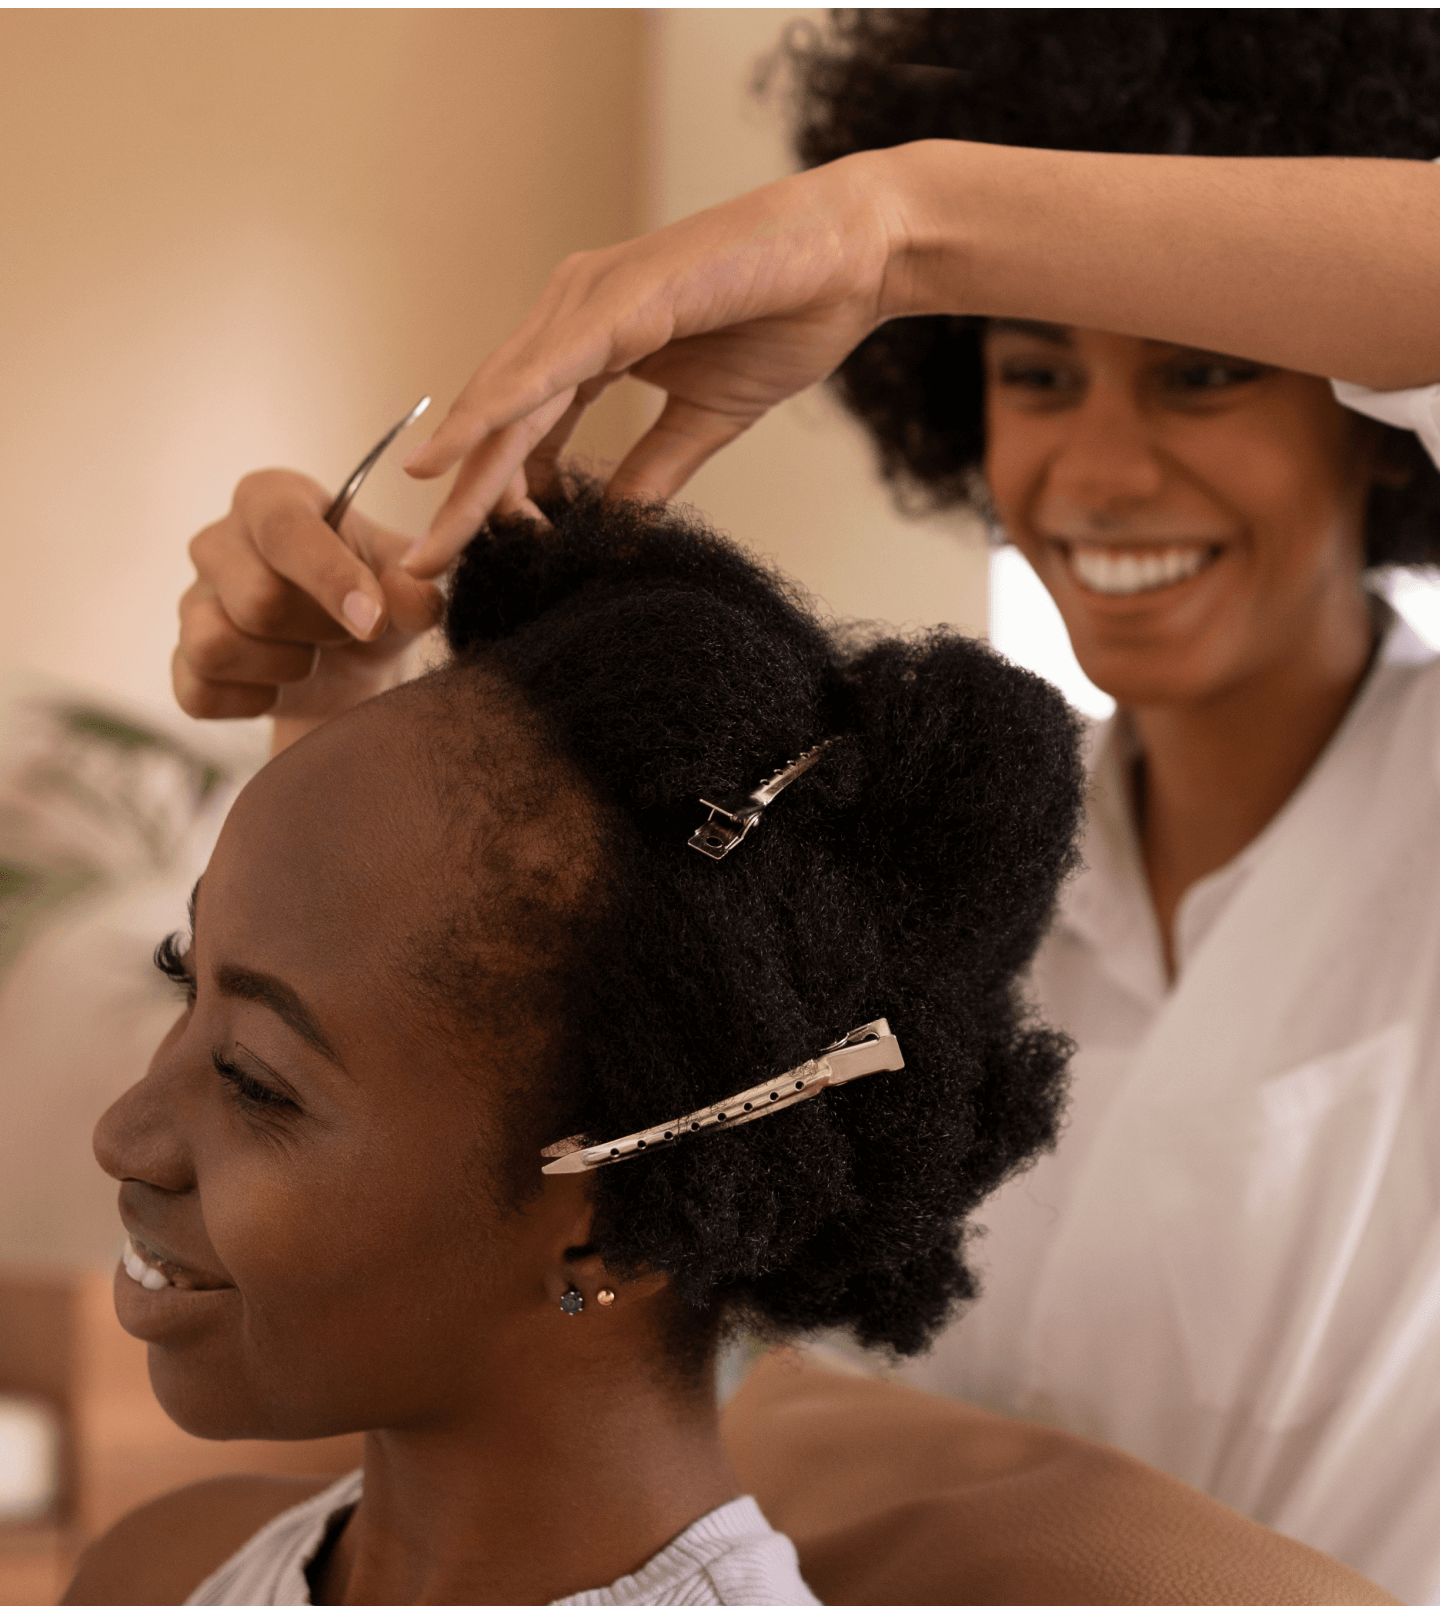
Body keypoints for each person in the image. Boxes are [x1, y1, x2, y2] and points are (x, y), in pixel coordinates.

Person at [164, 10, 1440, 1597]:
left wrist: (898, 225)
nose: (1100, 468)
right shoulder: (889, 878)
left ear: (1373, 422)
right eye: (1035, 372)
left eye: (1204, 375)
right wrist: (343, 735)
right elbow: (573, 1293)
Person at [67, 486, 1090, 1605]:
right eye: (184, 973)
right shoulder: (159, 1572)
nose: (124, 1132)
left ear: (610, 1222)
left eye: (256, 1084)